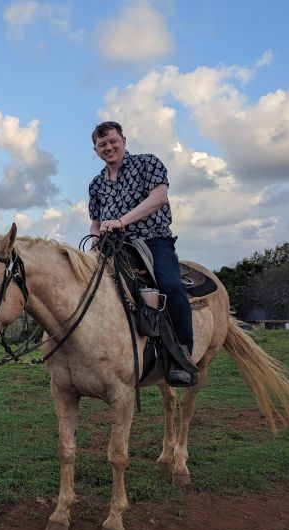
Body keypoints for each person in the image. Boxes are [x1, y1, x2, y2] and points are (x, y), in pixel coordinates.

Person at [88, 121, 197, 386]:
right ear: (96, 150)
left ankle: (182, 356)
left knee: (170, 285)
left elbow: (158, 197)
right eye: (102, 144)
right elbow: (94, 220)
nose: (108, 147)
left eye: (113, 141)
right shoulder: (96, 184)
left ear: (123, 141)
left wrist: (122, 221)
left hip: (152, 240)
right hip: (114, 246)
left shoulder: (148, 163)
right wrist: (93, 245)